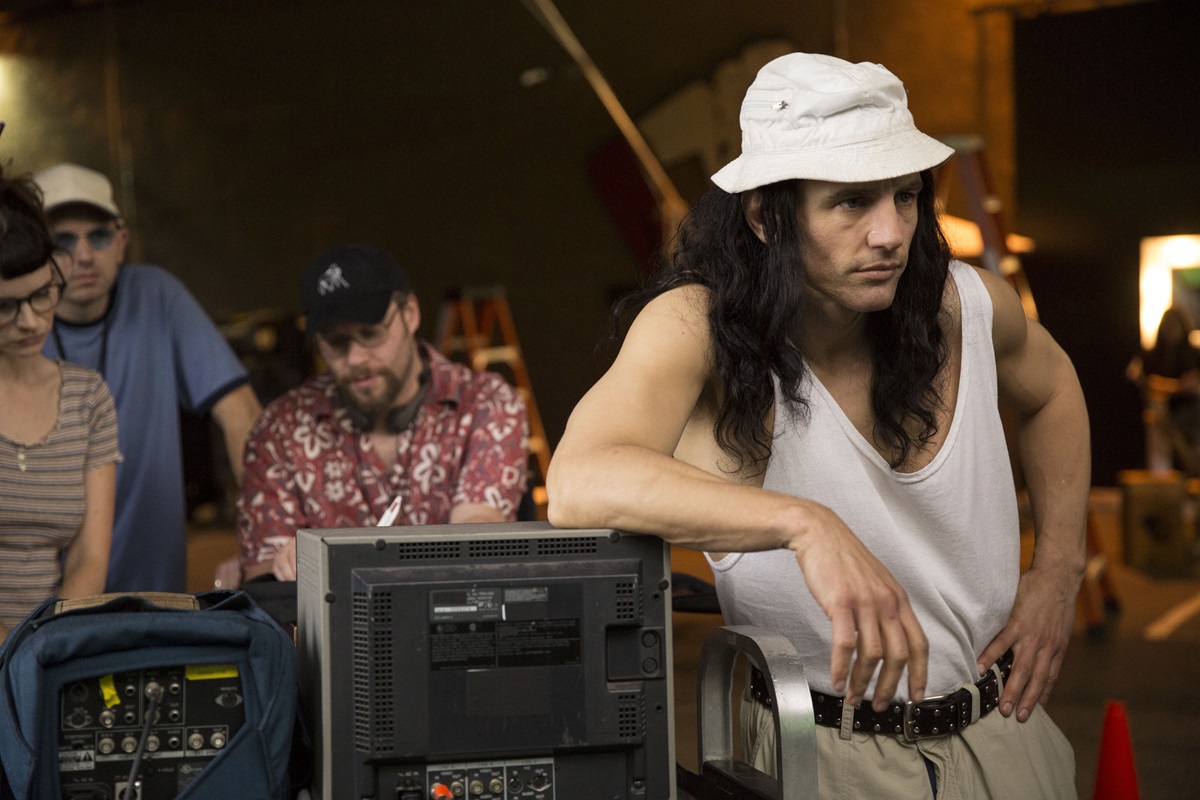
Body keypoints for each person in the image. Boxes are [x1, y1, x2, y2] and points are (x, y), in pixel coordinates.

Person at [546, 53, 1089, 798]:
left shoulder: (964, 304)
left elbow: (1055, 390)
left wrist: (1059, 569)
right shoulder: (699, 327)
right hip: (821, 753)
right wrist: (806, 525)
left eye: (905, 196)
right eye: (852, 202)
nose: (890, 233)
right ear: (765, 216)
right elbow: (580, 480)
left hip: (1002, 734)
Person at [237, 243, 529, 582]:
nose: (356, 358)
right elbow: (262, 575)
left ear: (410, 314)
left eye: (371, 334)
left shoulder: (485, 403)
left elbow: (477, 531)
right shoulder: (279, 429)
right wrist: (284, 564)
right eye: (336, 342)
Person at [33, 162, 262, 593]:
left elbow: (243, 416)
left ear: (121, 242)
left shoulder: (156, 295)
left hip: (156, 595)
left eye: (98, 236)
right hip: (39, 603)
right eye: (63, 241)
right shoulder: (17, 322)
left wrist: (263, 544)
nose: (84, 255)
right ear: (35, 250)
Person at [0, 169, 120, 642]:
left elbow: (90, 557)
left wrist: (48, 644)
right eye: (5, 306)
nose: (31, 321)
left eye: (42, 294)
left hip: (50, 647)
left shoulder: (87, 398)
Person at [1126, 305, 1200, 472]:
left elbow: (1194, 385)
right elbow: (1148, 383)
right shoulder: (1152, 355)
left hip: (1191, 410)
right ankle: (1161, 476)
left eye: (1175, 326)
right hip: (1163, 412)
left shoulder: (1193, 354)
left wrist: (1188, 385)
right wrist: (1177, 386)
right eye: (1168, 326)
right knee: (1156, 414)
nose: (1171, 331)